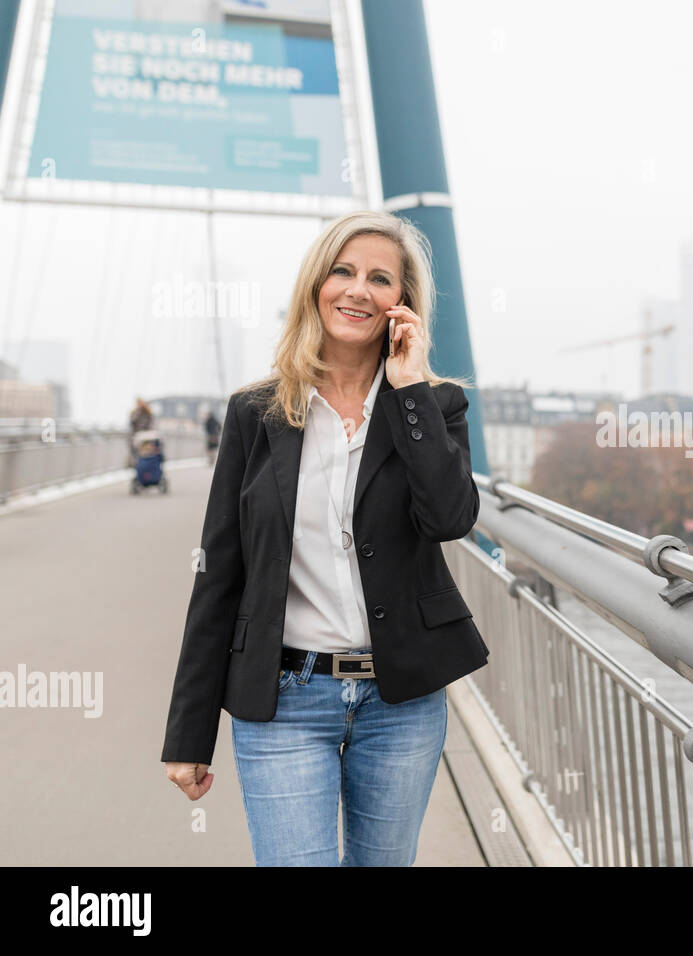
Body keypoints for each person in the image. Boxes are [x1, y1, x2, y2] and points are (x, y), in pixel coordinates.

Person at [160, 210, 489, 866]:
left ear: (403, 305)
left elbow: (451, 519)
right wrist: (187, 733)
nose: (357, 289)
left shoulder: (434, 405)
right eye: (342, 271)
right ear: (317, 285)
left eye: (379, 278)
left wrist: (410, 390)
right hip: (283, 700)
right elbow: (218, 572)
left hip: (400, 702)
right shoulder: (256, 414)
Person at [128, 397, 154, 467]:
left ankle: (143, 469)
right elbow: (132, 423)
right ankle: (137, 469)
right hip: (135, 437)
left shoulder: (148, 413)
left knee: (145, 454)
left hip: (145, 438)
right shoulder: (134, 412)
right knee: (135, 455)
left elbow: (149, 425)